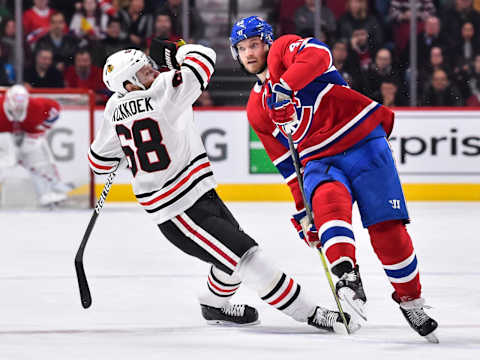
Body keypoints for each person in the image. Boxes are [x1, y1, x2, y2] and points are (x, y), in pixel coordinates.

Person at [88, 43, 359, 332]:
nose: (153, 71)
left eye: (149, 66)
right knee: (247, 256)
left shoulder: (113, 108)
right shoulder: (166, 88)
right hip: (179, 210)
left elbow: (99, 162)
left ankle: (213, 304)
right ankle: (312, 313)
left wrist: (122, 150)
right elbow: (204, 57)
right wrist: (179, 50)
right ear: (128, 84)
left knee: (230, 255)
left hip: (191, 196)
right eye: (144, 72)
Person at [229, 15, 439, 343]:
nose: (249, 53)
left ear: (267, 42)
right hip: (318, 159)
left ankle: (411, 300)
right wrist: (303, 211)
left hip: (363, 142)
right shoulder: (257, 108)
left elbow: (320, 55)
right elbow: (287, 163)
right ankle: (347, 276)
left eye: (254, 44)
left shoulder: (284, 50)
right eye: (241, 49)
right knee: (327, 207)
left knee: (388, 230)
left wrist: (285, 87)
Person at [0, 85, 69, 206]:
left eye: (21, 109)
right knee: (4, 162)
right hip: (3, 137)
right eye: (15, 109)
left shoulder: (37, 105)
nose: (18, 112)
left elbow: (55, 110)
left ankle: (47, 192)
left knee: (37, 160)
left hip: (28, 135)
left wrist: (41, 129)